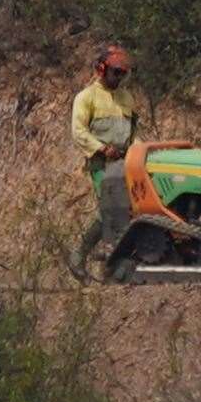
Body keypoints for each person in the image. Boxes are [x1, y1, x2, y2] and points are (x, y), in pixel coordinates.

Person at [70, 44, 138, 277]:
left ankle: (115, 259)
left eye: (123, 73)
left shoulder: (126, 98)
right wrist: (101, 148)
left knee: (131, 207)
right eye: (116, 72)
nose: (120, 77)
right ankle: (80, 255)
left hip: (125, 160)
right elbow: (78, 131)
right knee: (110, 209)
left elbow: (132, 133)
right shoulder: (86, 97)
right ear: (102, 69)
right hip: (101, 161)